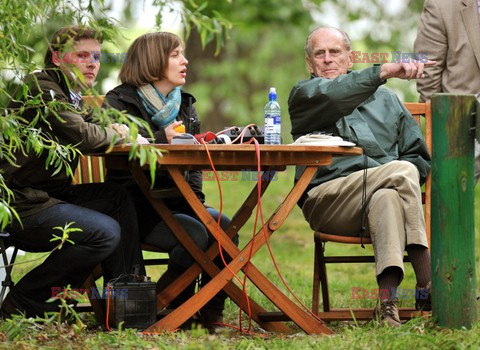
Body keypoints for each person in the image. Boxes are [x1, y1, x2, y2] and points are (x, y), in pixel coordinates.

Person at [288, 27, 433, 327]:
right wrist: (383, 70)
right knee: (401, 171)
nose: (328, 60)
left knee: (388, 196)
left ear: (350, 57)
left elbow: (416, 156)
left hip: (377, 202)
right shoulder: (306, 96)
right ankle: (428, 284)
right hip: (328, 201)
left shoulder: (388, 101)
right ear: (309, 63)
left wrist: (393, 178)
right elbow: (337, 94)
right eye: (320, 54)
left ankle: (387, 305)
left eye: (335, 52)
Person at [0, 26, 147, 318]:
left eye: (96, 56)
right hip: (18, 204)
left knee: (115, 197)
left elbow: (101, 127)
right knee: (104, 233)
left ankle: (129, 303)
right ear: (56, 58)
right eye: (82, 55)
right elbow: (88, 135)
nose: (92, 63)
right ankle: (24, 301)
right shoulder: (41, 88)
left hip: (49, 197)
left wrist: (119, 129)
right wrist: (116, 132)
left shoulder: (72, 96)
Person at [103, 32, 234, 331]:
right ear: (153, 60)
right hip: (135, 205)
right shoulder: (120, 100)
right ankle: (172, 306)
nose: (185, 61)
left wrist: (195, 201)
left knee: (226, 226)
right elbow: (120, 153)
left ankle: (210, 314)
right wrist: (163, 139)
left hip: (180, 202)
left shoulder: (184, 103)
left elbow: (196, 164)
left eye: (182, 54)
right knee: (195, 235)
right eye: (176, 55)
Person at [414, 0, 480, 183]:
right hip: (461, 120)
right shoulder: (441, 5)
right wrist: (445, 125)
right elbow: (427, 73)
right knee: (452, 192)